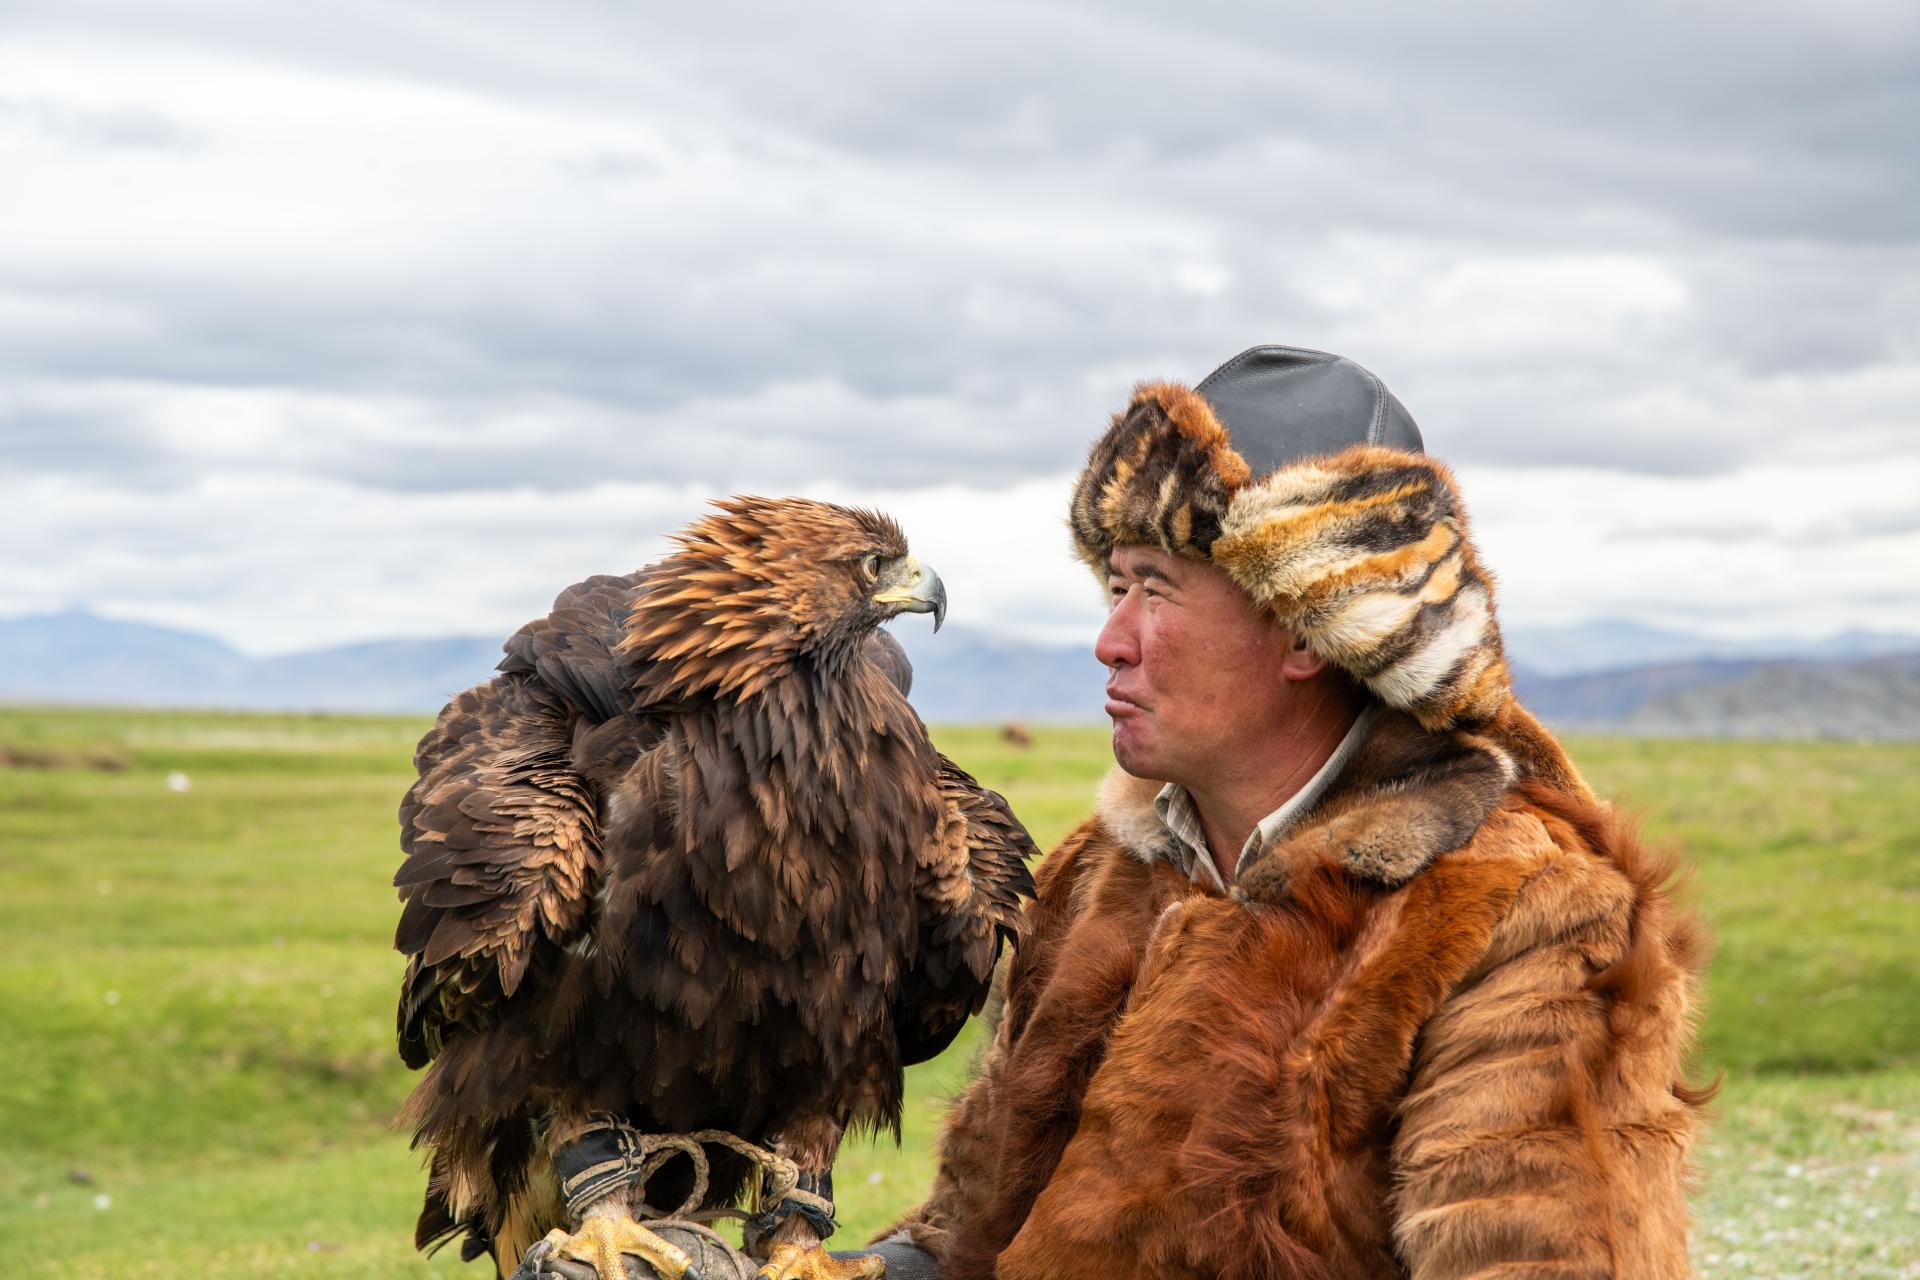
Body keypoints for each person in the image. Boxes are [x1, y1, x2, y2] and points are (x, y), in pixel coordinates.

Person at [863, 344, 1712, 1279]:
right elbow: (968, 1235)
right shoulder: (1098, 875)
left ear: (1307, 625)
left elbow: (1534, 1259)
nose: (1110, 642)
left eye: (1156, 589)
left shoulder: (1520, 913)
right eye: (1115, 587)